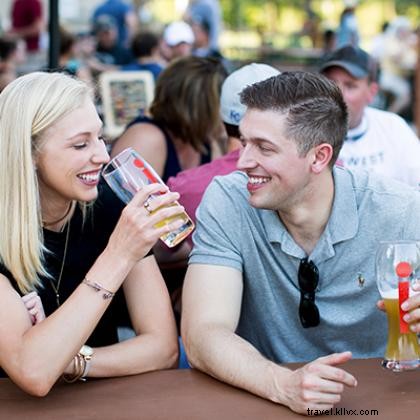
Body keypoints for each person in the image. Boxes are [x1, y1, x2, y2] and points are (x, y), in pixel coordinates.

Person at [181, 71, 420, 415]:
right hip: (265, 397)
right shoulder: (228, 199)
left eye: (264, 147)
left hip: (390, 401)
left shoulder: (400, 210)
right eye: (244, 142)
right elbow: (203, 334)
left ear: (319, 157)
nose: (244, 161)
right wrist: (281, 385)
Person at [0, 71, 183, 395]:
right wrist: (118, 255)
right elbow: (35, 373)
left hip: (102, 403)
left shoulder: (111, 205)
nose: (102, 156)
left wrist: (71, 360)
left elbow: (163, 348)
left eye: (100, 138)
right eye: (81, 144)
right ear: (28, 153)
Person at [111, 56, 228, 182]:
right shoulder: (147, 138)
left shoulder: (206, 140)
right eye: (223, 103)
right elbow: (129, 201)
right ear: (201, 108)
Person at [320, 44, 420, 188]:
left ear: (371, 92)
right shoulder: (304, 132)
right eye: (330, 83)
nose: (338, 94)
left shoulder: (393, 127)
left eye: (350, 86)